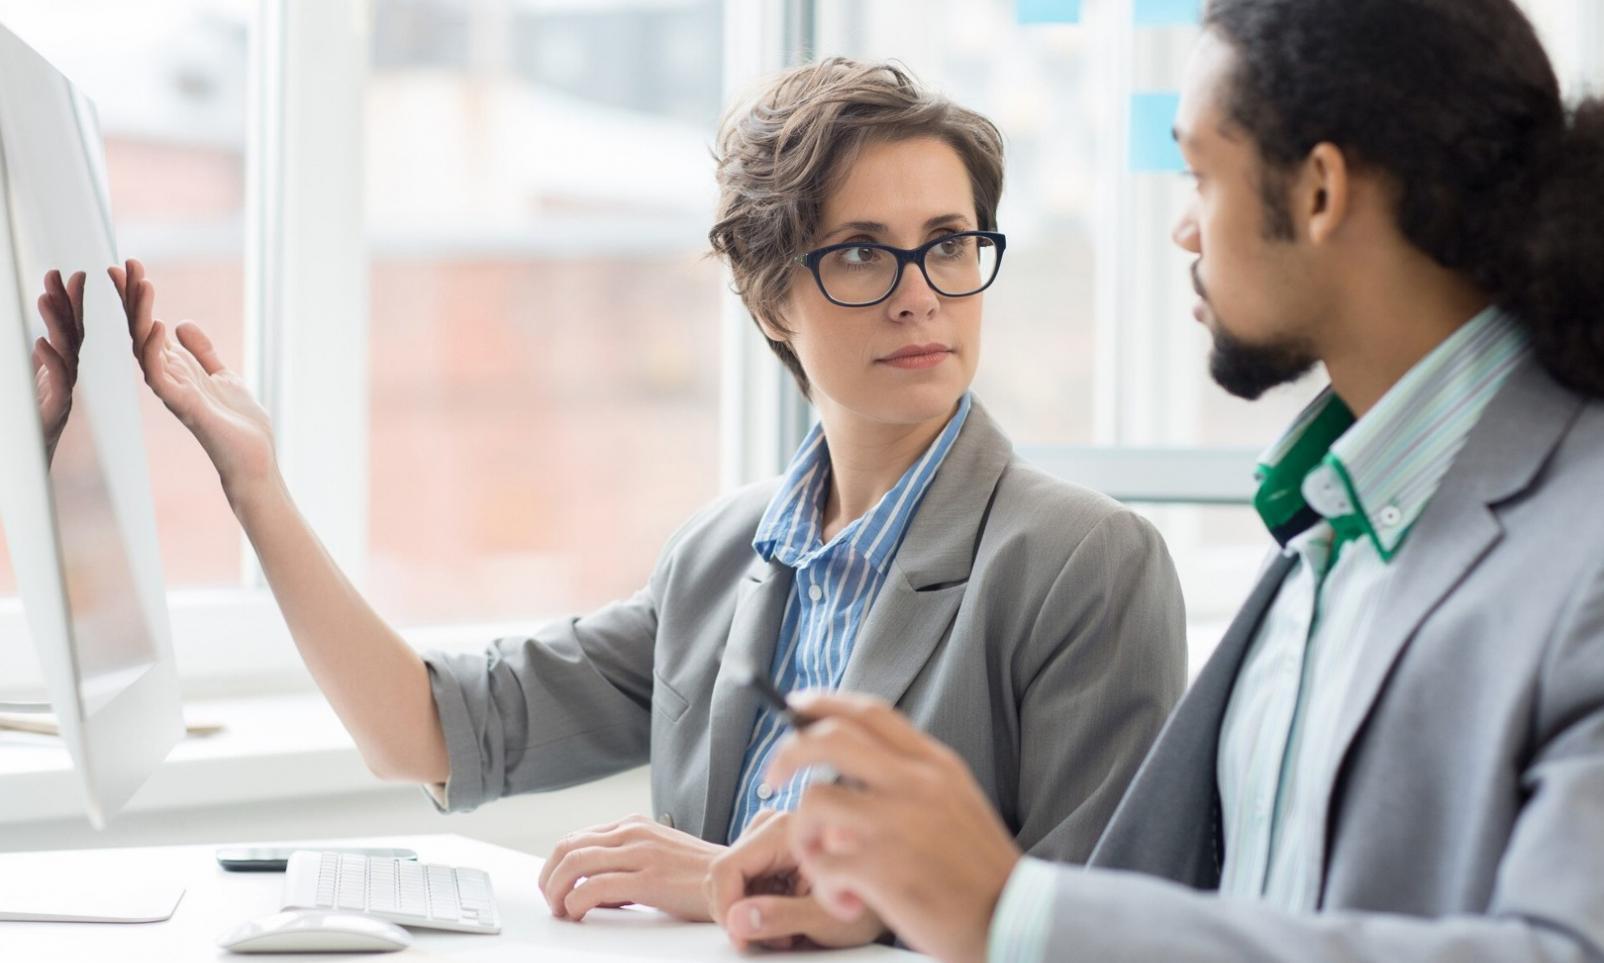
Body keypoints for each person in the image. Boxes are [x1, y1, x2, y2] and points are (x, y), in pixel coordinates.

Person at [110, 57, 1187, 947]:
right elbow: (431, 733)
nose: (918, 292)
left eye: (948, 244)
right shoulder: (721, 555)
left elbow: (1085, 930)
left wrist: (736, 879)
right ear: (769, 295)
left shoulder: (1084, 564)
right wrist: (255, 486)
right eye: (862, 252)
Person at [706, 1, 1604, 959]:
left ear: (1319, 192)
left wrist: (1013, 912)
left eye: (1197, 172)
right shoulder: (1328, 535)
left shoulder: (1578, 546)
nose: (1182, 227)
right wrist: (895, 892)